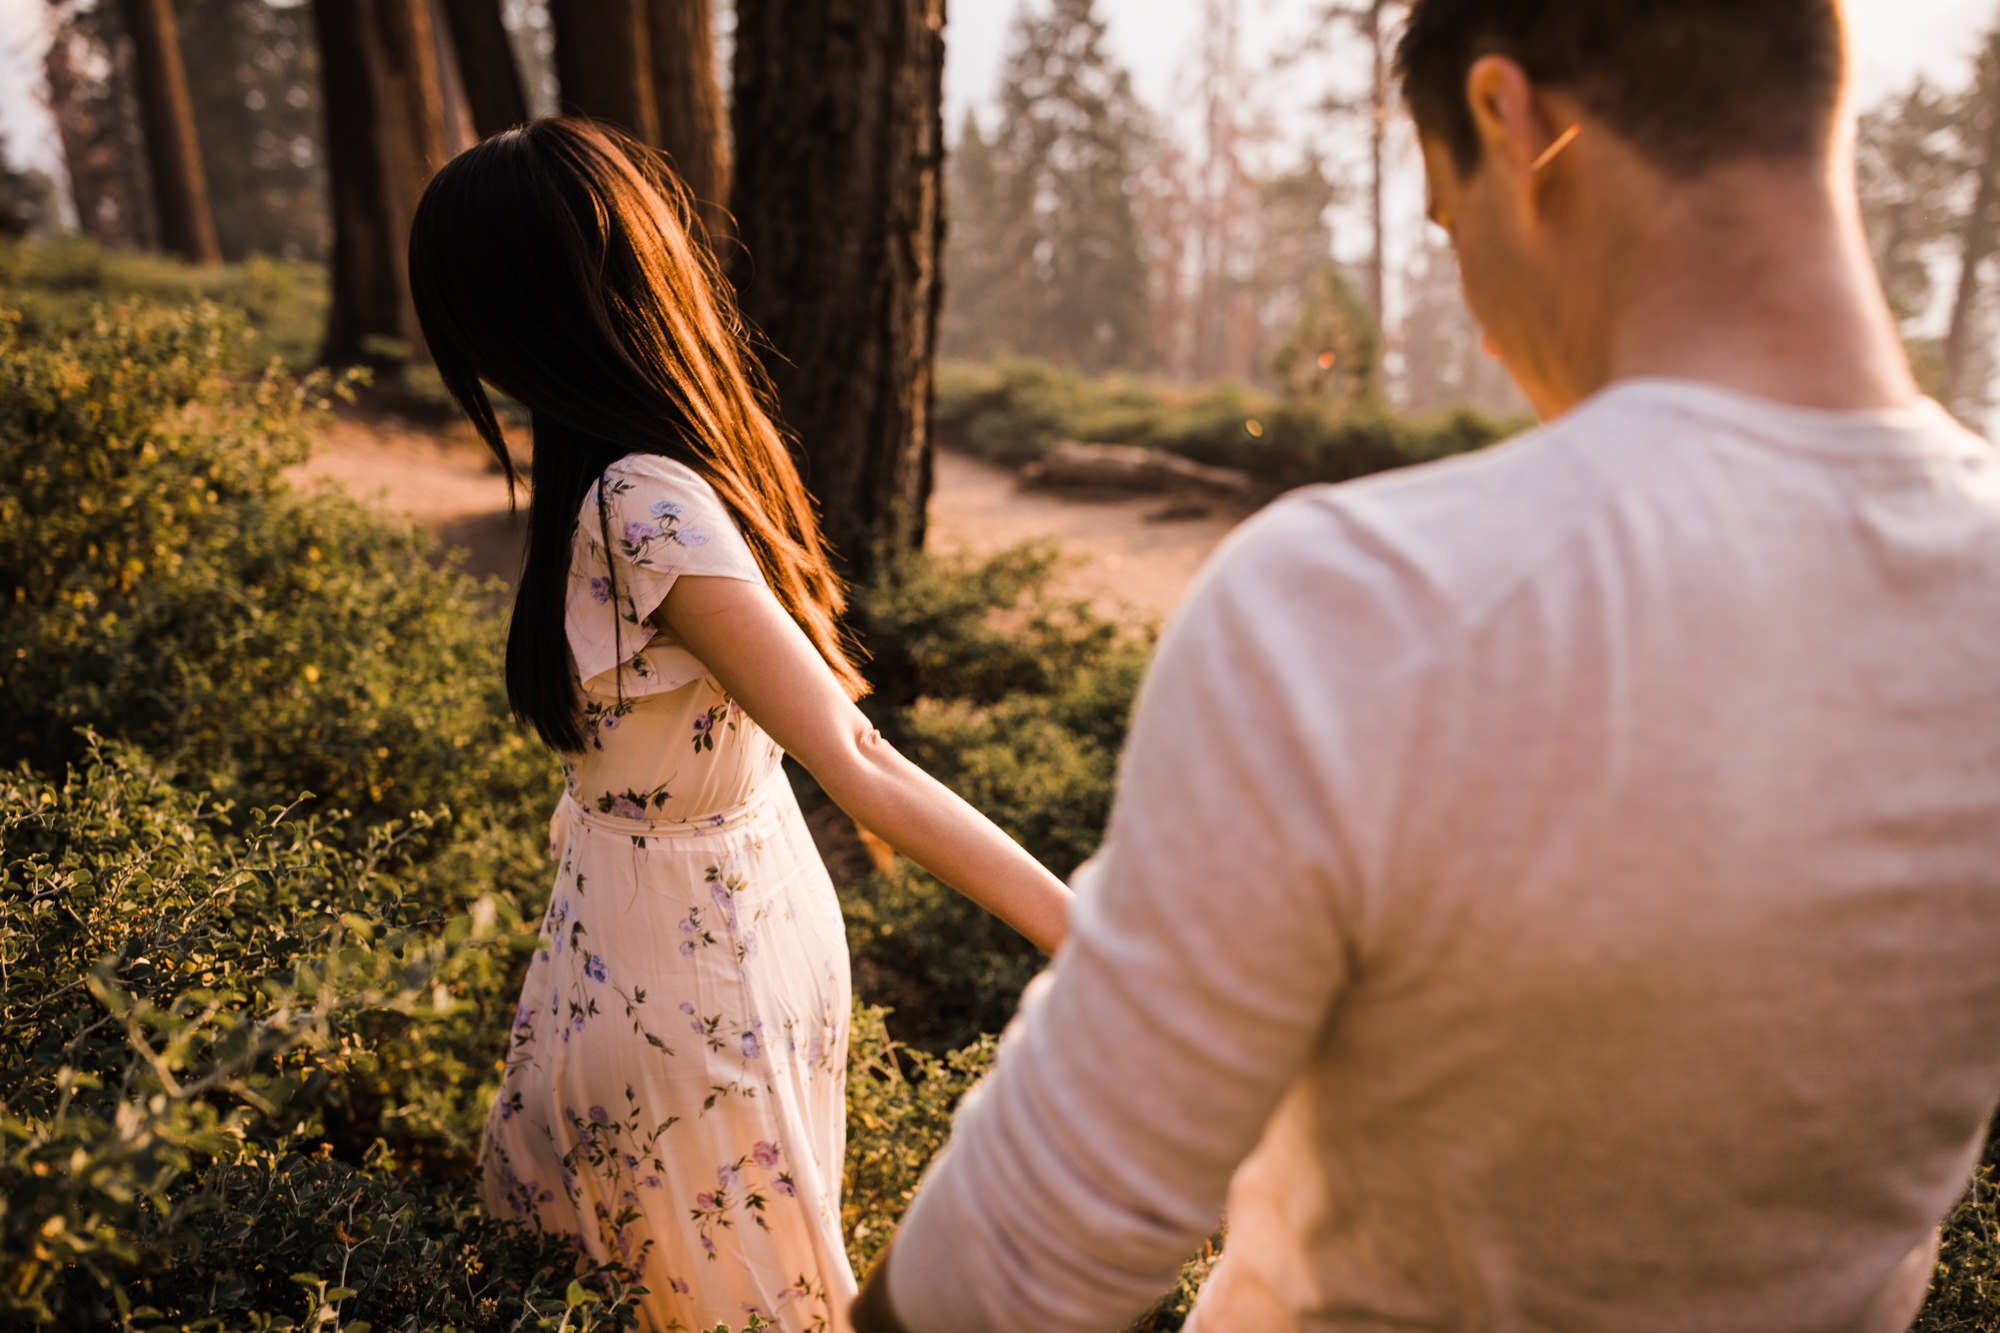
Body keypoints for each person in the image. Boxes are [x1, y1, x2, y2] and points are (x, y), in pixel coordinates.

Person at [850, 2, 2000, 1330]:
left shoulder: (1354, 610)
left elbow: (1010, 1272)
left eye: (1450, 228)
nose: (1493, 336)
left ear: (1514, 123)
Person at [406, 118, 1072, 1333]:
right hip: (696, 921)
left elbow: (854, 754)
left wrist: (1087, 937)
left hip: (684, 966)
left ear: (517, 314)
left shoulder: (634, 494)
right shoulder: (653, 472)